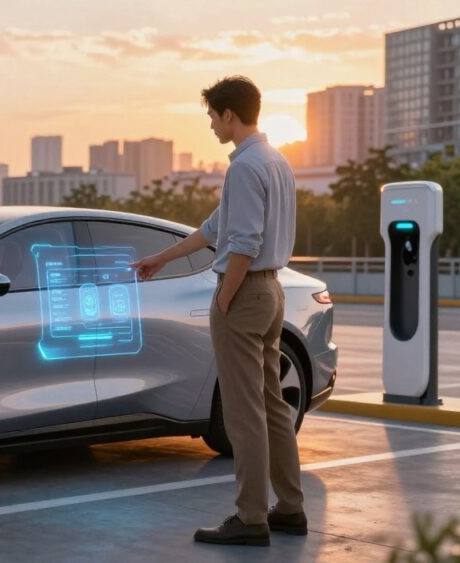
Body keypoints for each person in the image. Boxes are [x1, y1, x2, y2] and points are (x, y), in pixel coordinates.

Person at [131, 76, 305, 547]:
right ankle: (290, 507)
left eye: (212, 115)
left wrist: (225, 299)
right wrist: (161, 258)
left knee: (243, 413)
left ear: (229, 114)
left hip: (245, 295)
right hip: (271, 294)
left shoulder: (246, 168)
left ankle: (251, 518)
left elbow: (243, 242)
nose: (210, 124)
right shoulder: (276, 162)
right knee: (271, 408)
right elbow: (214, 229)